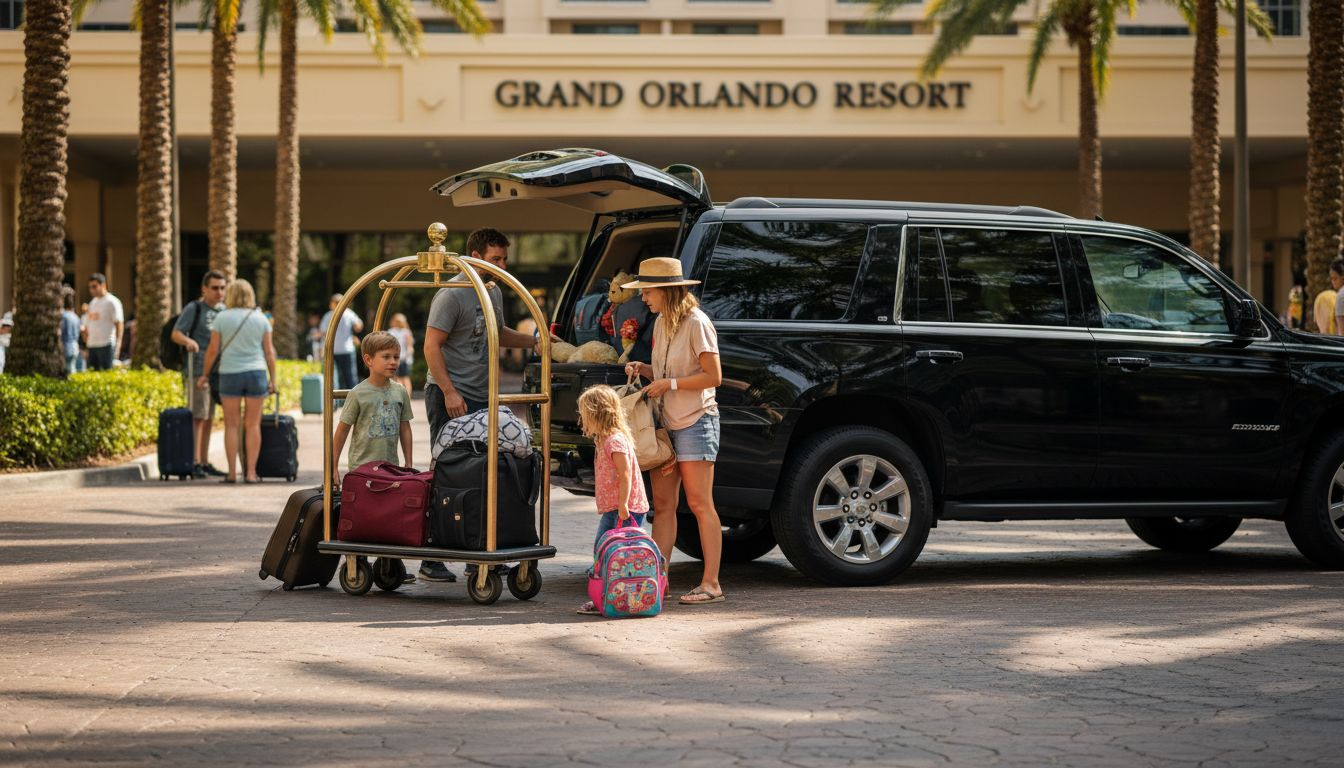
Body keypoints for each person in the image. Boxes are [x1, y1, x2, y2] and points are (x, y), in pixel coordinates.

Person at [419, 227, 538, 583]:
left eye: (504, 259)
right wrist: (450, 392)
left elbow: (497, 333)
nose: (501, 265)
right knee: (448, 474)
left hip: (483, 398)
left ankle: (478, 551)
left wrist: (539, 341)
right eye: (495, 259)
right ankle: (432, 556)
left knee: (483, 475)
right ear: (474, 255)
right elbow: (430, 346)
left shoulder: (493, 290)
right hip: (450, 397)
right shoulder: (452, 293)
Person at [623, 257, 725, 606]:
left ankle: (711, 583)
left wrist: (670, 382)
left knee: (699, 503)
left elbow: (713, 376)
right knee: (663, 505)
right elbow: (668, 373)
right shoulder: (662, 322)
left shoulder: (697, 323)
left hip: (697, 420)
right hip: (667, 425)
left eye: (647, 291)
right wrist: (647, 370)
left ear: (667, 291)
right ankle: (659, 579)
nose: (643, 298)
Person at [331, 331, 416, 583]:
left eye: (396, 357)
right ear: (368, 360)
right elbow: (342, 430)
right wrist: (332, 466)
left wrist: (408, 462)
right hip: (362, 469)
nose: (393, 361)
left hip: (390, 468)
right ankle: (357, 560)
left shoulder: (400, 392)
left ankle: (390, 561)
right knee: (363, 515)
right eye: (386, 357)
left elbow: (405, 428)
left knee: (388, 514)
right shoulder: (358, 394)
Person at [574, 385, 650, 615]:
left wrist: (623, 506)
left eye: (585, 415)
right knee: (613, 555)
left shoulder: (614, 441)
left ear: (598, 414)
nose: (582, 420)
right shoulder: (605, 439)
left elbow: (625, 474)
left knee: (608, 554)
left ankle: (606, 597)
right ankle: (615, 596)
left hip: (624, 509)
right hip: (616, 508)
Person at [197, 279, 276, 484]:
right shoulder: (261, 318)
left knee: (231, 425)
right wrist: (273, 379)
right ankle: (250, 473)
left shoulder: (222, 318)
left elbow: (213, 350)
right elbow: (269, 352)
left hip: (229, 374)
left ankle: (232, 473)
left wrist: (205, 375)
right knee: (252, 425)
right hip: (256, 373)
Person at [171, 270, 228, 478]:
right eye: (214, 288)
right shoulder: (194, 308)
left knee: (209, 417)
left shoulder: (224, 310)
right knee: (198, 416)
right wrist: (189, 342)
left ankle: (203, 462)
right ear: (204, 289)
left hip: (217, 373)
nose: (219, 292)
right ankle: (193, 461)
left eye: (222, 288)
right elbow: (176, 333)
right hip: (197, 370)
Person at [320, 294, 363, 394]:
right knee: (349, 377)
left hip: (334, 351)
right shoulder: (348, 313)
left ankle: (334, 404)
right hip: (344, 350)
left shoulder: (329, 315)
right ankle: (352, 402)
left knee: (333, 378)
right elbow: (359, 326)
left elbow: (322, 332)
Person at [85, 273, 123, 371]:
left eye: (94, 286)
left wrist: (118, 344)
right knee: (93, 376)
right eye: (90, 287)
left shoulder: (112, 302)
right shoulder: (92, 303)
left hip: (106, 345)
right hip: (92, 345)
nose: (91, 290)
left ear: (103, 285)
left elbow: (119, 323)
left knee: (107, 374)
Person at [388, 312, 415, 394]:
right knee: (396, 378)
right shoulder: (391, 331)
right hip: (395, 358)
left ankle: (407, 397)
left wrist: (408, 356)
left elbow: (410, 346)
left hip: (404, 359)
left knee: (405, 378)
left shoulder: (406, 332)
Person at [60, 287, 82, 374]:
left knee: (66, 372)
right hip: (75, 347)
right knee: (72, 369)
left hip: (66, 348)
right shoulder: (76, 316)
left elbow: (61, 332)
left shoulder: (63, 316)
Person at [1320, 258, 1344, 335]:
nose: (1333, 282)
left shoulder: (1341, 296)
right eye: (1331, 279)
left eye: (1335, 278)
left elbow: (1342, 331)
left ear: (1343, 277)